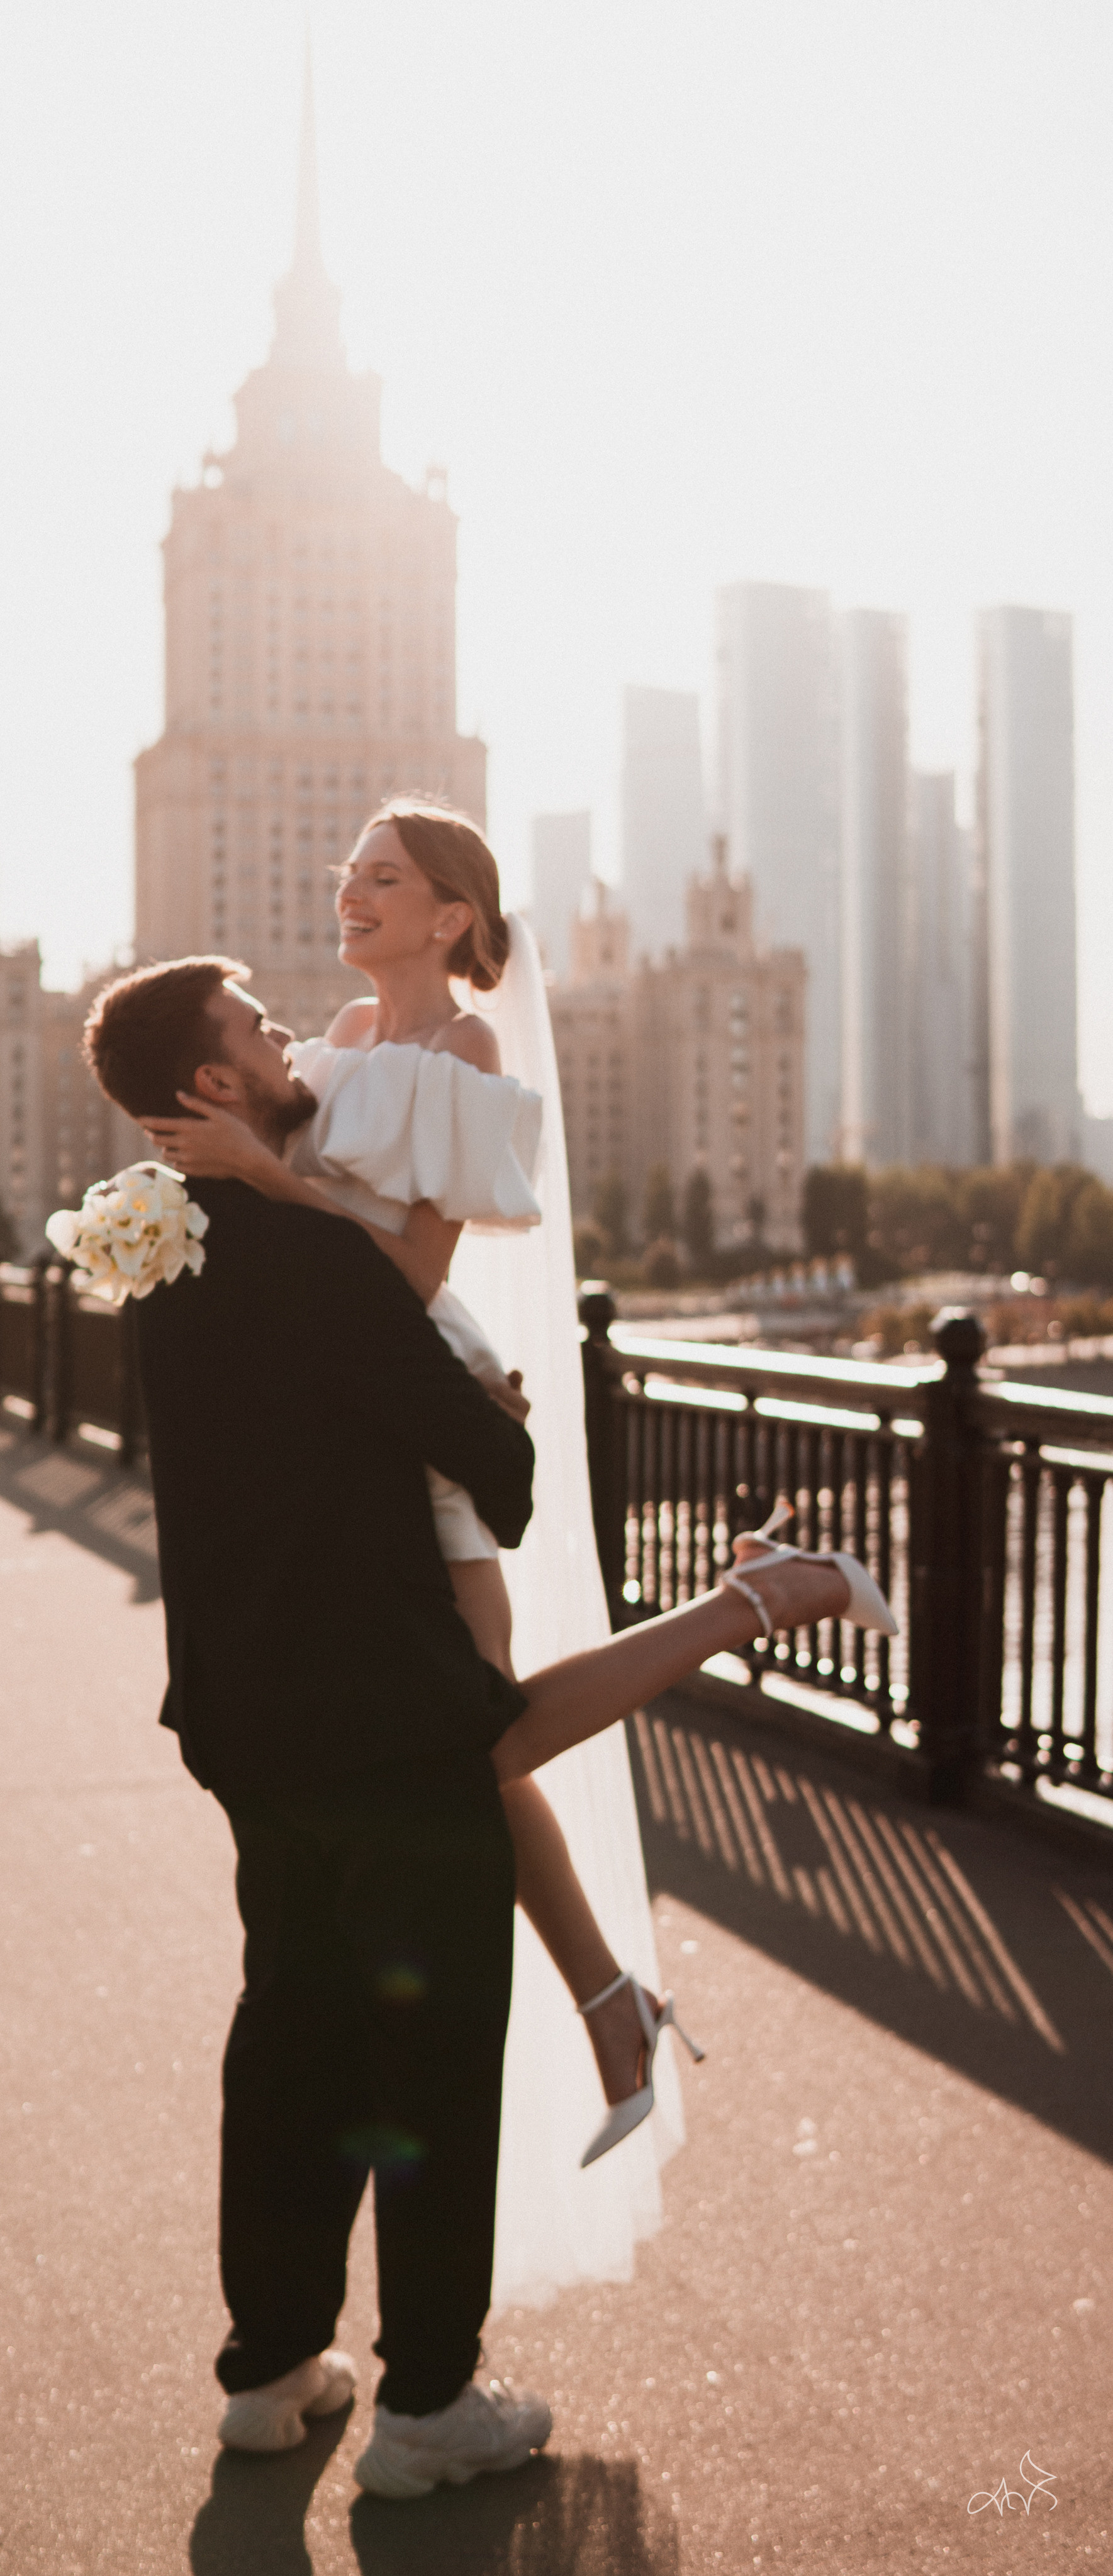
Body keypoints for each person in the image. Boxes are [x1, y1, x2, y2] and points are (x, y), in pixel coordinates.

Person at [77, 950, 875, 2498]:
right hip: (386, 1722)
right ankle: (430, 2403)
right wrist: (500, 1417)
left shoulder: (161, 1260)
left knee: (288, 2034)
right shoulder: (318, 1264)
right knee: (430, 2061)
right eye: (252, 1024)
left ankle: (269, 2364)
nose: (280, 1030)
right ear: (217, 1085)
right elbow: (483, 1472)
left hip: (246, 1720)